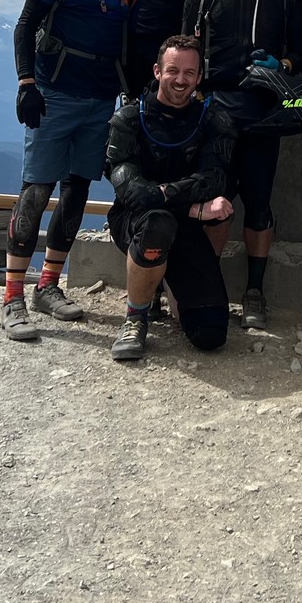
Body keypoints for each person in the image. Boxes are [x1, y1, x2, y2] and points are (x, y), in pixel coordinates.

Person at [2, 0, 143, 341]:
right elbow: (26, 23)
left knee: (77, 188)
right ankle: (12, 297)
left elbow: (127, 41)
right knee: (36, 190)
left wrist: (129, 95)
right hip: (55, 92)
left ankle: (49, 286)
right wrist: (26, 83)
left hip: (100, 98)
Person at [182, 0, 302, 331]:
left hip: (262, 112)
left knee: (258, 203)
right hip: (211, 111)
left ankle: (255, 291)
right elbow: (186, 46)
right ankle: (205, 285)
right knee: (213, 204)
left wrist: (284, 63)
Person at [104, 35, 236, 362]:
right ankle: (136, 317)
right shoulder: (129, 120)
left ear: (199, 77)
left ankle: (179, 287)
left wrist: (166, 194)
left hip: (187, 227)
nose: (181, 80)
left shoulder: (212, 120)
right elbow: (131, 192)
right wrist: (192, 206)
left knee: (211, 335)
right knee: (158, 223)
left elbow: (215, 180)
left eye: (189, 73)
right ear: (157, 71)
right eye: (173, 70)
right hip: (135, 222)